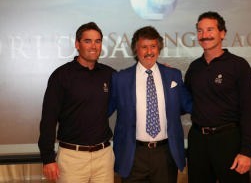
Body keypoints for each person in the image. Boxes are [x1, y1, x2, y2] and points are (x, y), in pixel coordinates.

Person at [109, 26, 192, 183]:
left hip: (165, 154)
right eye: (144, 47)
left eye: (153, 46)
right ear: (136, 49)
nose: (149, 52)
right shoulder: (120, 79)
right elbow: (104, 110)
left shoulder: (173, 75)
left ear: (159, 48)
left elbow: (188, 105)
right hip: (133, 155)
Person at [185, 11, 251, 183]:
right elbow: (184, 101)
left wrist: (246, 152)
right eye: (200, 31)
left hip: (229, 141)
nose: (204, 35)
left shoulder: (238, 65)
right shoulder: (194, 67)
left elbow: (250, 111)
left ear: (222, 33)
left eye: (210, 30)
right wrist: (167, 78)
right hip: (198, 141)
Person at [38, 22, 115, 183]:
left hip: (104, 157)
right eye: (88, 41)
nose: (94, 46)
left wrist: (158, 69)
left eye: (98, 41)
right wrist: (48, 158)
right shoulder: (61, 76)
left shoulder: (109, 74)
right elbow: (48, 120)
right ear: (77, 44)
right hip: (72, 159)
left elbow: (134, 82)